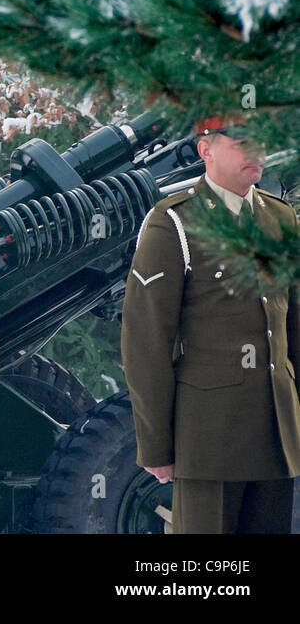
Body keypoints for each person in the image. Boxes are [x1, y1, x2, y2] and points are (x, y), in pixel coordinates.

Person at [121, 115, 300, 533]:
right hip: (208, 436)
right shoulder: (176, 223)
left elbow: (293, 327)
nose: (256, 151)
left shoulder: (281, 218)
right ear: (206, 150)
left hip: (276, 432)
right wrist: (156, 446)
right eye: (241, 141)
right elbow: (146, 341)